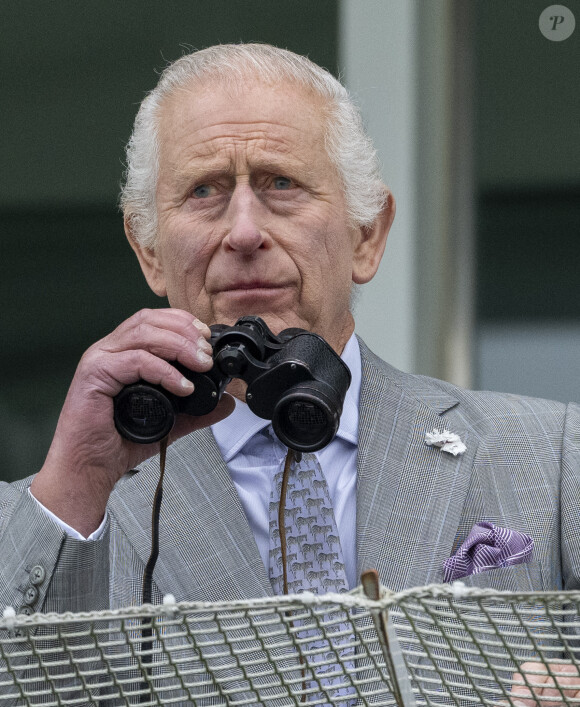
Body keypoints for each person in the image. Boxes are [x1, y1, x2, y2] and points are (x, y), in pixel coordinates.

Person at [1, 43, 579, 704]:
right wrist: (77, 482)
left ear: (367, 234)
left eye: (281, 184)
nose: (244, 231)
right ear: (149, 250)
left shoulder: (552, 456)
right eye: (205, 190)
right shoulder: (64, 510)